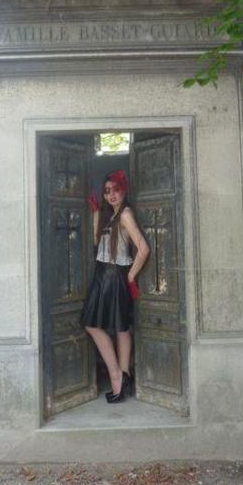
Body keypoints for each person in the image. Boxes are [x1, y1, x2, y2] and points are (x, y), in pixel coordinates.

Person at [80, 170, 150, 403]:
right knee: (117, 328)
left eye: (116, 190)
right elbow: (96, 244)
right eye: (107, 191)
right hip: (104, 274)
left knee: (102, 326)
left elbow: (143, 249)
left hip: (114, 275)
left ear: (124, 189)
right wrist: (97, 213)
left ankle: (117, 376)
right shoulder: (112, 214)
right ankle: (122, 375)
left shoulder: (126, 214)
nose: (111, 194)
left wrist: (130, 276)